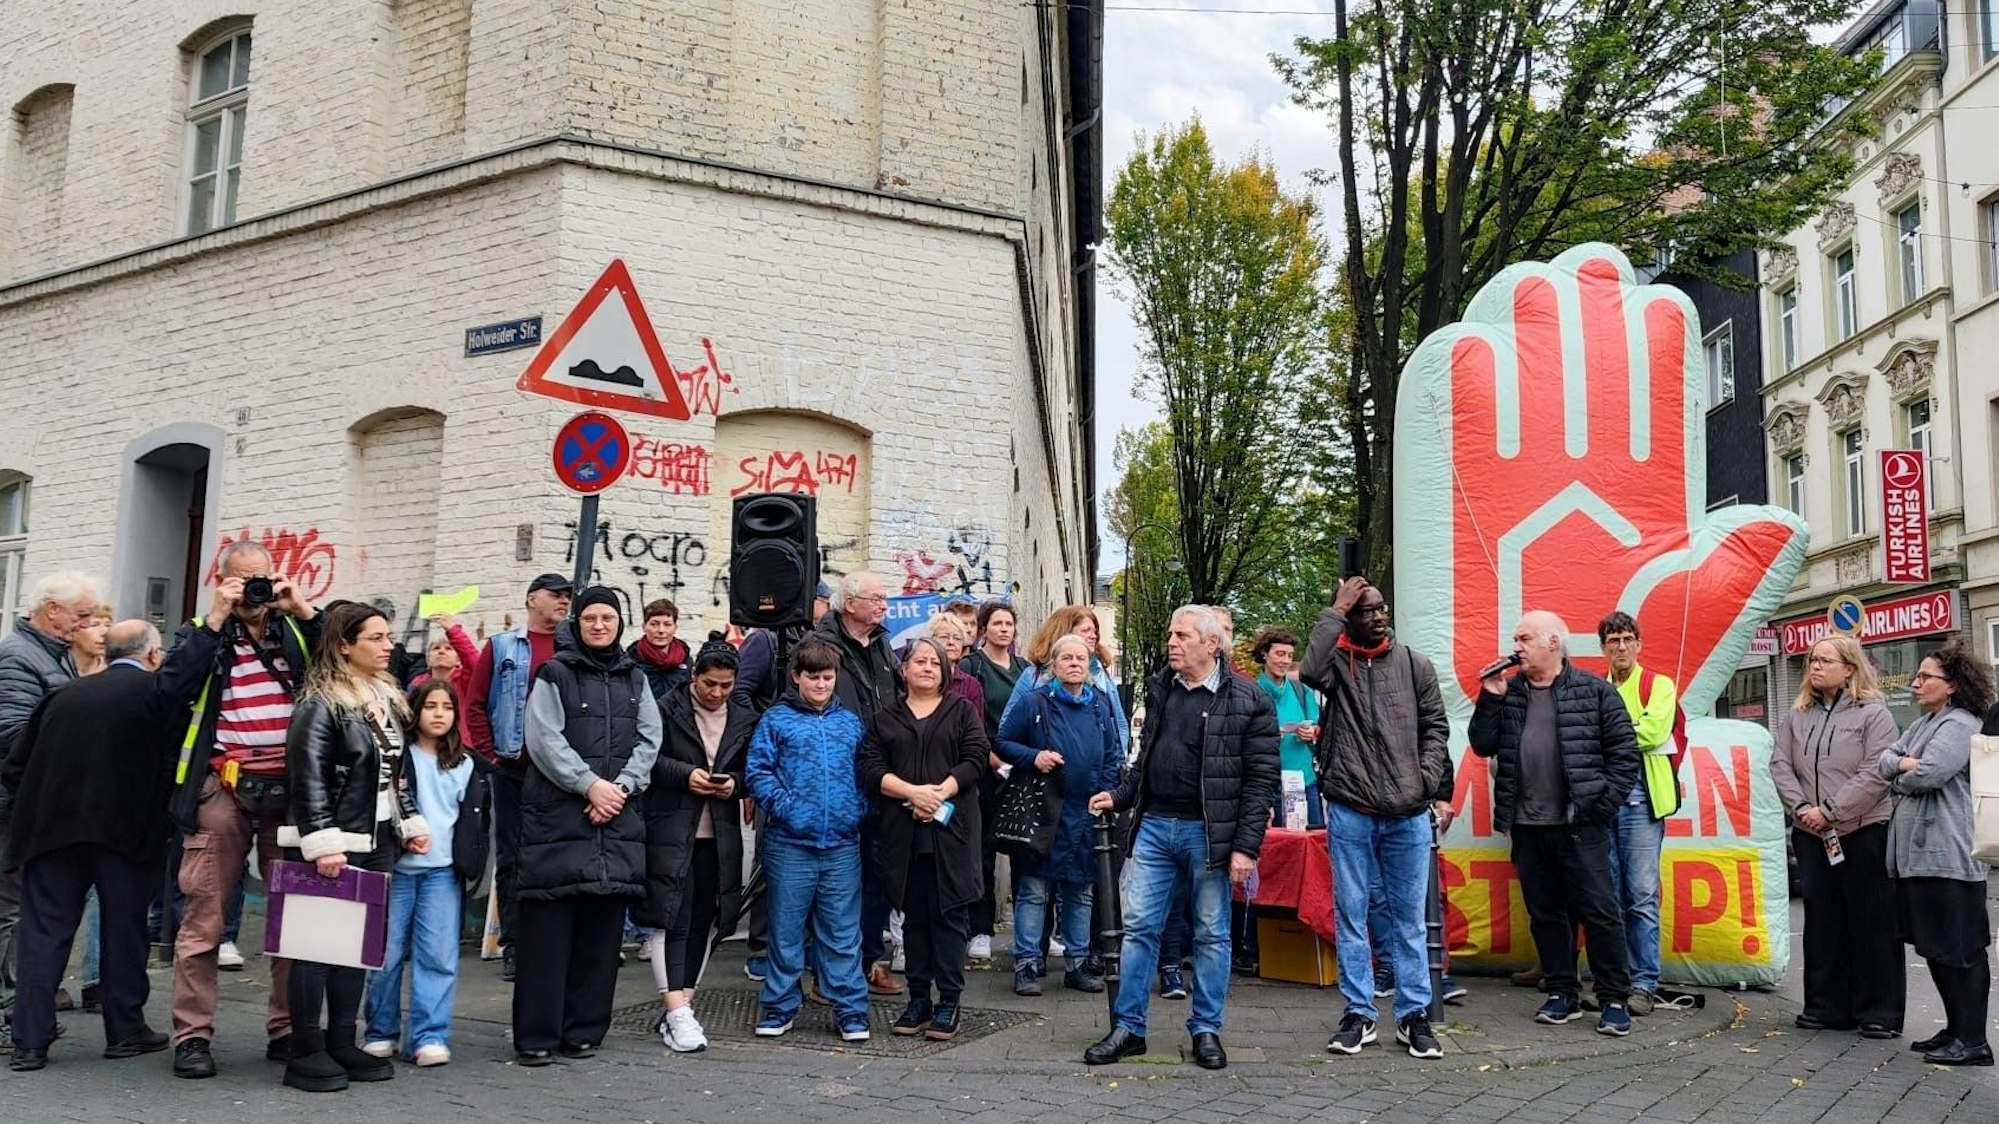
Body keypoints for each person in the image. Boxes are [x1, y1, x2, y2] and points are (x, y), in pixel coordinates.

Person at [1084, 605, 1279, 1071]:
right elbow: (1145, 759)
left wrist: (1246, 847)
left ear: (1212, 645)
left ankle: (1206, 1030)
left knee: (1211, 934)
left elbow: (1260, 780)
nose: (1172, 642)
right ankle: (1128, 1028)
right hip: (1154, 827)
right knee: (1139, 930)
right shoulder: (1163, 689)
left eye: (1182, 635)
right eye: (1171, 634)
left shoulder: (1249, 699)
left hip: (1210, 835)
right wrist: (1119, 794)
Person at [156, 542, 319, 1078]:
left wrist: (304, 611)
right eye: (243, 580)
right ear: (222, 581)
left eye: (262, 579)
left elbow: (342, 665)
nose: (255, 590)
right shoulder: (203, 631)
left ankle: (288, 1029)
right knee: (204, 915)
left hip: (289, 792)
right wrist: (216, 618)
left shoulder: (292, 629)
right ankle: (193, 1037)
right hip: (223, 789)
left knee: (294, 916)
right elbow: (171, 686)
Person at [3, 621, 173, 1072]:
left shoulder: (62, 695)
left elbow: (16, 762)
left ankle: (29, 1042)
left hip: (50, 831)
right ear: (153, 656)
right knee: (124, 930)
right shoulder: (156, 696)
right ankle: (125, 1031)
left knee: (44, 934)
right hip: (124, 833)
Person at [275, 604, 429, 1093]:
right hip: (335, 843)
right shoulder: (319, 702)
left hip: (377, 838)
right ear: (345, 645)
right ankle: (306, 1051)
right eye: (377, 638)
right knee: (316, 948)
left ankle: (342, 1040)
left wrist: (408, 823)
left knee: (355, 949)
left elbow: (392, 774)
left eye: (388, 637)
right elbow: (309, 776)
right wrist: (322, 842)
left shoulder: (384, 697)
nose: (389, 646)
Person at [1300, 577, 1451, 1059]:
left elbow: (1436, 729)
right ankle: (1359, 1013)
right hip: (1351, 809)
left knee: (1409, 920)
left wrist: (1424, 780)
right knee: (1351, 915)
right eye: (1366, 611)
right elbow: (1309, 670)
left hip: (1408, 813)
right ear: (1350, 618)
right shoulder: (1337, 667)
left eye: (1382, 609)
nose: (1379, 617)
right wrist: (1335, 611)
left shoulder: (1415, 665)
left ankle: (1413, 1015)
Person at [1469, 611, 1640, 1036]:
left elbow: (1625, 758)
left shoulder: (1594, 692)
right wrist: (1489, 697)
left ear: (1552, 643)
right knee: (1546, 914)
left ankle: (1614, 997)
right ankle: (1562, 991)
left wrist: (1599, 808)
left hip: (1580, 825)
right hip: (1528, 825)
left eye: (1524, 638)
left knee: (1599, 913)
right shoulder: (1508, 693)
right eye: (1515, 637)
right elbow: (1481, 744)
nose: (1517, 646)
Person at [511, 586, 659, 1065]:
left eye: (608, 618)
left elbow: (649, 738)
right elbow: (543, 738)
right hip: (559, 822)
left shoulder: (635, 676)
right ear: (577, 623)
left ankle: (584, 1029)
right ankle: (536, 1035)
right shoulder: (554, 673)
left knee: (601, 935)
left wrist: (620, 789)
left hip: (614, 822)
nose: (599, 625)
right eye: (590, 617)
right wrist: (590, 785)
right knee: (547, 937)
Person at [1768, 635, 1900, 1037]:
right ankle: (1826, 1006)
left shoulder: (1873, 716)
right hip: (1812, 833)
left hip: (1861, 830)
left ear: (1849, 668)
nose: (1815, 666)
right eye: (1812, 660)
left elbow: (1875, 773)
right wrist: (1802, 810)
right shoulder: (1798, 716)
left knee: (1871, 920)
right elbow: (1780, 765)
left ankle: (1878, 1011)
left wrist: (1831, 812)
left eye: (1825, 660)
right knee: (1822, 921)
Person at [743, 635, 872, 1042]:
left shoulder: (849, 723)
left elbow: (866, 772)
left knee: (842, 931)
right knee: (785, 929)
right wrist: (789, 808)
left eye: (828, 677)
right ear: (797, 677)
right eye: (813, 677)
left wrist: (857, 809)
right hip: (790, 844)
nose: (820, 685)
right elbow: (758, 773)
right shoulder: (777, 721)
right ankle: (779, 1005)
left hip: (841, 844)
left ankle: (850, 1008)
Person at [858, 637, 989, 1040]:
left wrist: (938, 793)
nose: (928, 667)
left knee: (950, 917)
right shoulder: (885, 718)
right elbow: (870, 767)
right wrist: (912, 793)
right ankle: (918, 999)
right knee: (913, 919)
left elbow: (976, 757)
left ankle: (949, 1000)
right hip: (904, 833)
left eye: (936, 662)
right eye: (920, 661)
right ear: (904, 669)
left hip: (952, 832)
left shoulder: (961, 711)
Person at [639, 633, 757, 1054]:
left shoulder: (744, 715)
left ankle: (681, 1008)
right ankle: (677, 1010)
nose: (717, 693)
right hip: (672, 829)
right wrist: (685, 775)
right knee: (671, 917)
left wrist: (737, 786)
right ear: (695, 677)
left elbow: (752, 769)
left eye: (726, 686)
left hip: (719, 833)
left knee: (708, 917)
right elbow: (646, 758)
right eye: (710, 684)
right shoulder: (665, 707)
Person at [1876, 642, 1992, 1066]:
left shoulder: (1960, 723)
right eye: (1917, 675)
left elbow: (1930, 773)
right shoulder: (1927, 722)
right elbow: (1883, 761)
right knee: (1935, 948)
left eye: (1926, 677)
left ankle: (1974, 1039)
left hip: (1950, 858)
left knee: (1959, 949)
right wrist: (1903, 763)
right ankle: (1955, 1028)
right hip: (1917, 859)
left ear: (1953, 686)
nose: (1916, 683)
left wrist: (1904, 767)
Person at [0, 571, 102, 1049]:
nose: (85, 625)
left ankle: (18, 1012)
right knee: (12, 912)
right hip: (14, 808)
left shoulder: (49, 654)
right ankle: (8, 1017)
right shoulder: (20, 658)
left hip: (33, 805)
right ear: (51, 609)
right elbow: (14, 736)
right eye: (81, 615)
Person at [996, 634, 1122, 998]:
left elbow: (1113, 752)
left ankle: (1078, 964)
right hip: (1045, 811)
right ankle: (1026, 964)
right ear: (1053, 663)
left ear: (1089, 665)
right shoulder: (1035, 702)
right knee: (1035, 890)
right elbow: (1002, 742)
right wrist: (1033, 757)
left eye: (1080, 658)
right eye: (1066, 657)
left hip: (1086, 813)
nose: (1074, 663)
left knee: (1081, 892)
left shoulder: (1100, 704)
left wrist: (1109, 793)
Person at [465, 572, 573, 983]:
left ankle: (551, 944)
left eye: (567, 596)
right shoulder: (503, 646)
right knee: (513, 859)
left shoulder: (573, 647)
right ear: (532, 599)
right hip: (513, 769)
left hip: (560, 774)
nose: (564, 602)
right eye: (555, 595)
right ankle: (515, 944)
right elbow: (476, 704)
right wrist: (492, 757)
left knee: (557, 857)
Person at [362, 678, 475, 1068]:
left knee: (438, 955)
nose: (439, 714)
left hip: (442, 872)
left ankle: (429, 1035)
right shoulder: (397, 755)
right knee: (385, 953)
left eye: (447, 707)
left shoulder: (464, 763)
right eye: (431, 706)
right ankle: (380, 1032)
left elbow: (469, 820)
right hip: (396, 870)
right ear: (415, 711)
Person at [815, 572, 904, 996]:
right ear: (850, 604)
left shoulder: (884, 645)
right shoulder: (820, 646)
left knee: (879, 876)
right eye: (877, 598)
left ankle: (868, 961)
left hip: (881, 777)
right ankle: (826, 971)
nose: (884, 605)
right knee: (835, 880)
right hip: (838, 778)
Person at [1595, 612, 1679, 1016]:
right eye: (1614, 641)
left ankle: (1643, 982)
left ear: (1639, 644)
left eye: (1628, 639)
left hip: (1642, 798)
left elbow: (1653, 733)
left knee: (1641, 896)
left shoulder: (1657, 685)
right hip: (1604, 798)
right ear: (1603, 648)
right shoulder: (1596, 688)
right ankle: (1616, 981)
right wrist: (1626, 729)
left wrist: (1609, 733)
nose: (1622, 647)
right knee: (1609, 895)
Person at [958, 599, 1025, 963]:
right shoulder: (973, 666)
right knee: (982, 851)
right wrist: (994, 761)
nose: (1004, 629)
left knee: (1021, 849)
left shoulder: (1025, 668)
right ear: (984, 628)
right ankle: (980, 929)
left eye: (1009, 624)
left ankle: (1026, 934)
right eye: (997, 623)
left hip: (1020, 769)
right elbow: (973, 723)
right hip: (985, 770)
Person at [1252, 625, 1323, 828]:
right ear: (1265, 654)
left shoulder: (1302, 691)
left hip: (1305, 784)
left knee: (1312, 849)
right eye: (1280, 654)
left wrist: (1310, 733)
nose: (1285, 661)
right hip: (1269, 789)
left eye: (1290, 655)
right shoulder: (1251, 694)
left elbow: (1319, 728)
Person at [629, 598, 691, 703]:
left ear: (675, 628)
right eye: (654, 624)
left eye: (667, 624)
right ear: (644, 627)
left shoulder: (686, 661)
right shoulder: (631, 661)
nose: (661, 630)